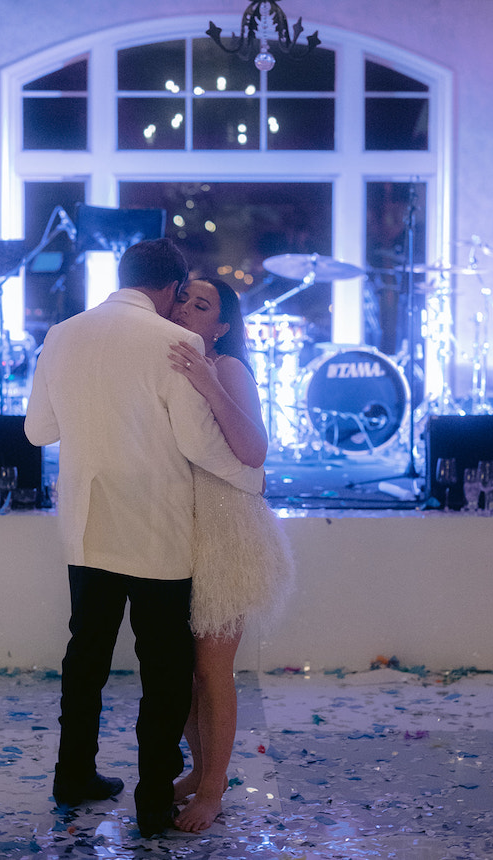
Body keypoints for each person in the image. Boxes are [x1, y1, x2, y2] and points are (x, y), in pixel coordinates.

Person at [23, 239, 263, 839]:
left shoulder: (62, 334)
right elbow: (199, 447)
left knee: (86, 661)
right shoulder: (172, 343)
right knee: (164, 671)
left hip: (88, 528)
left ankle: (72, 775)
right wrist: (252, 476)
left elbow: (37, 431)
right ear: (174, 287)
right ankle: (154, 801)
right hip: (159, 532)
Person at [167, 277, 295, 833]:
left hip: (228, 532)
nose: (187, 309)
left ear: (220, 326)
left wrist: (208, 381)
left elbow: (254, 450)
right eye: (183, 299)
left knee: (214, 668)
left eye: (203, 305)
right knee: (187, 671)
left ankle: (213, 788)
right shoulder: (164, 360)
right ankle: (199, 771)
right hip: (180, 530)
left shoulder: (227, 367)